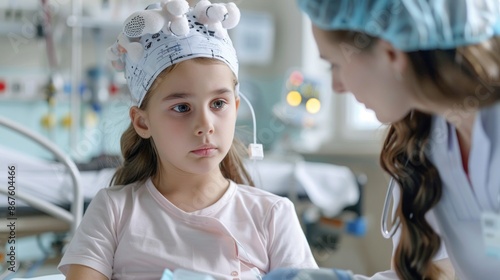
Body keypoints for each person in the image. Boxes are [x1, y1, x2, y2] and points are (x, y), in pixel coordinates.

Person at [57, 1, 318, 279]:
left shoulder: (272, 215)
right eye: (181, 107)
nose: (205, 125)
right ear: (142, 122)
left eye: (218, 104)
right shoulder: (114, 211)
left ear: (237, 108)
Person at [265, 0, 500, 279]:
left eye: (335, 65)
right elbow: (440, 272)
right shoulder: (429, 139)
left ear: (391, 53)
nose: (336, 87)